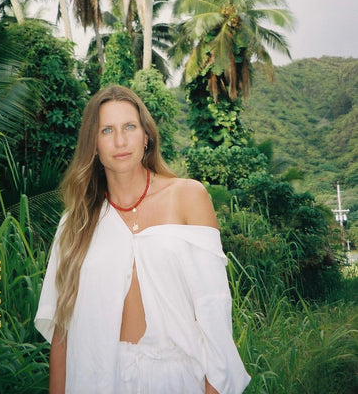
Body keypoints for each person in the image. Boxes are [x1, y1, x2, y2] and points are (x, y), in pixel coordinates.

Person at [35, 85, 251, 394]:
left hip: (177, 379)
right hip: (97, 379)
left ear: (146, 136)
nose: (120, 141)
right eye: (107, 130)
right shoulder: (75, 223)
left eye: (129, 127)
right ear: (93, 145)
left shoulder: (188, 197)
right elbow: (63, 329)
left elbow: (214, 313)